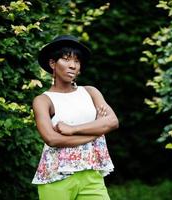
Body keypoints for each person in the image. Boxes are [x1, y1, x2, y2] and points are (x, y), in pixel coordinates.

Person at [31, 35, 119, 200]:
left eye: (77, 61)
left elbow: (112, 122)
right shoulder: (43, 100)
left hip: (91, 175)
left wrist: (72, 130)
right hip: (56, 177)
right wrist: (97, 130)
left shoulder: (91, 92)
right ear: (52, 64)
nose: (72, 65)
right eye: (66, 59)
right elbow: (52, 139)